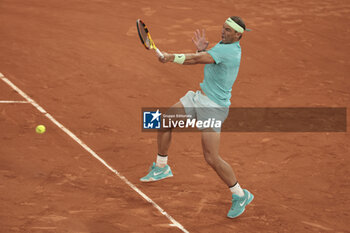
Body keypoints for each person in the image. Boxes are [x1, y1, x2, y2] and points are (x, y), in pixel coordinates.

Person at [140, 16, 254, 218]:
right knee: (165, 121)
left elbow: (194, 60)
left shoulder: (229, 51)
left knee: (211, 157)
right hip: (199, 98)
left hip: (213, 108)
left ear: (238, 35)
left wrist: (169, 57)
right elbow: (208, 60)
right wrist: (203, 50)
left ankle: (240, 194)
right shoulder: (226, 44)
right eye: (223, 28)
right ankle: (161, 166)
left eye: (228, 30)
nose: (223, 32)